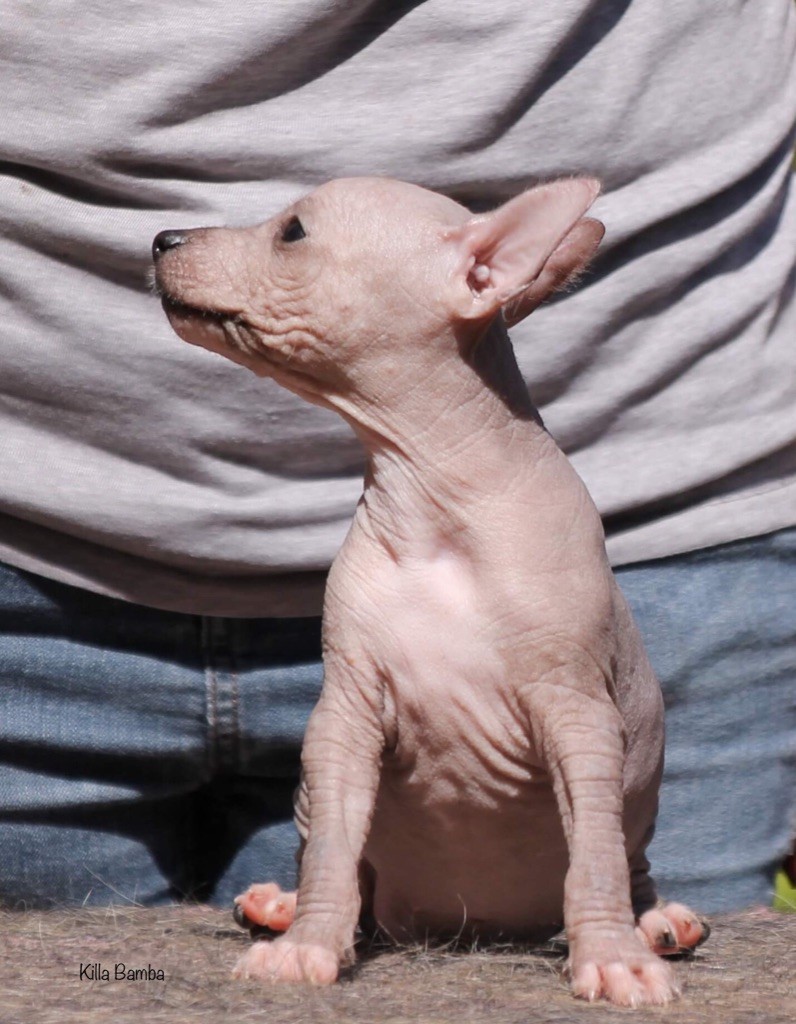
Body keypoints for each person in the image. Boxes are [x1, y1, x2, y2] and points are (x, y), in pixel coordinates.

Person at [0, 1, 794, 914]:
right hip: (38, 574)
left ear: (489, 270)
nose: (187, 240)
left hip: (670, 556)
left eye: (292, 236)